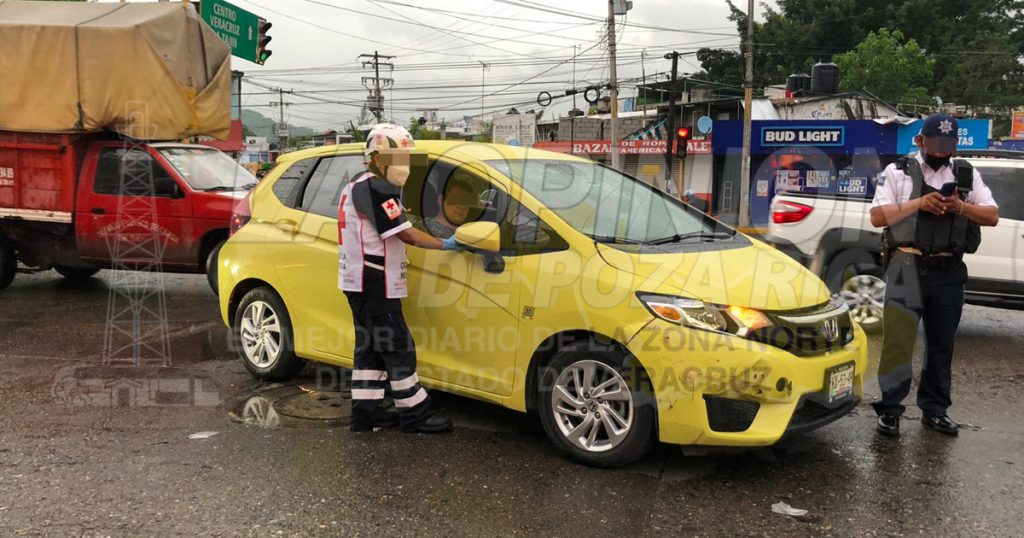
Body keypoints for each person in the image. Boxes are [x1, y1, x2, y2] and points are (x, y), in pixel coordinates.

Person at [869, 114, 999, 437]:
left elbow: (992, 215)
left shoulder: (965, 174)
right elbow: (877, 216)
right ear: (920, 141)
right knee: (898, 344)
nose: (942, 151)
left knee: (942, 345)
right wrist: (919, 204)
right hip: (906, 266)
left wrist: (960, 207)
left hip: (948, 271)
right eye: (936, 144)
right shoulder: (897, 171)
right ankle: (890, 410)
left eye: (948, 144)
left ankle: (935, 410)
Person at [337, 123, 461, 434]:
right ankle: (415, 414)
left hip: (358, 280)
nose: (404, 165)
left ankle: (366, 414)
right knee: (397, 346)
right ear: (378, 159)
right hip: (374, 280)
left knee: (370, 349)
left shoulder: (358, 184)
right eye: (399, 159)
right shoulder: (376, 188)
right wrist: (447, 243)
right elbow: (407, 234)